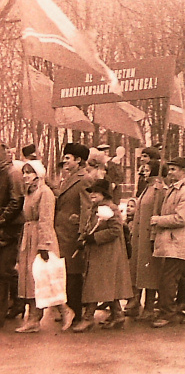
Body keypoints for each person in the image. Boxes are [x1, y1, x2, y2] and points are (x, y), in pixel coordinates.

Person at [150, 157, 185, 328]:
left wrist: (158, 220)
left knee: (168, 278)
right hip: (172, 240)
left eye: (174, 169)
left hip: (178, 241)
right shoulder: (174, 189)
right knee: (180, 277)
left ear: (184, 171)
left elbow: (182, 218)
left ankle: (167, 313)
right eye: (170, 169)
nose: (170, 172)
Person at [73, 178, 132, 332]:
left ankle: (88, 318)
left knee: (95, 285)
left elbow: (116, 230)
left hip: (108, 253)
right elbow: (88, 227)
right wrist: (83, 239)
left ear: (104, 194)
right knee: (106, 285)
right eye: (91, 192)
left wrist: (95, 238)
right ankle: (118, 315)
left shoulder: (111, 208)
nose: (92, 194)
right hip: (98, 252)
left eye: (96, 192)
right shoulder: (95, 208)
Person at [15, 160, 66, 333]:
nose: (25, 176)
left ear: (38, 175)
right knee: (31, 278)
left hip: (40, 237)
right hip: (29, 237)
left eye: (29, 172)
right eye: (24, 172)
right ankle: (41, 316)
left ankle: (36, 318)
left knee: (40, 278)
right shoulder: (29, 193)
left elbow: (45, 220)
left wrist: (44, 245)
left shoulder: (45, 193)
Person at [54, 142, 93, 329]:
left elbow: (87, 207)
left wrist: (82, 233)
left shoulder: (84, 179)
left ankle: (77, 314)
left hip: (72, 234)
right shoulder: (68, 178)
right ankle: (69, 309)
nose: (65, 161)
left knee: (74, 274)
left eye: (68, 158)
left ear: (78, 160)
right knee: (66, 273)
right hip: (63, 233)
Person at [126, 160, 164, 320]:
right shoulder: (146, 188)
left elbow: (158, 212)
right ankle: (136, 302)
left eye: (148, 170)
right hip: (139, 237)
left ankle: (149, 307)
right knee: (138, 270)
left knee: (150, 273)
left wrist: (154, 236)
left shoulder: (159, 189)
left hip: (149, 237)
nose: (144, 172)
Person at [0, 142, 25, 326]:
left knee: (5, 271)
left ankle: (17, 303)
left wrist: (1, 220)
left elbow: (16, 202)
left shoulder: (13, 173)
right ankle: (16, 302)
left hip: (9, 229)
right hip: (4, 227)